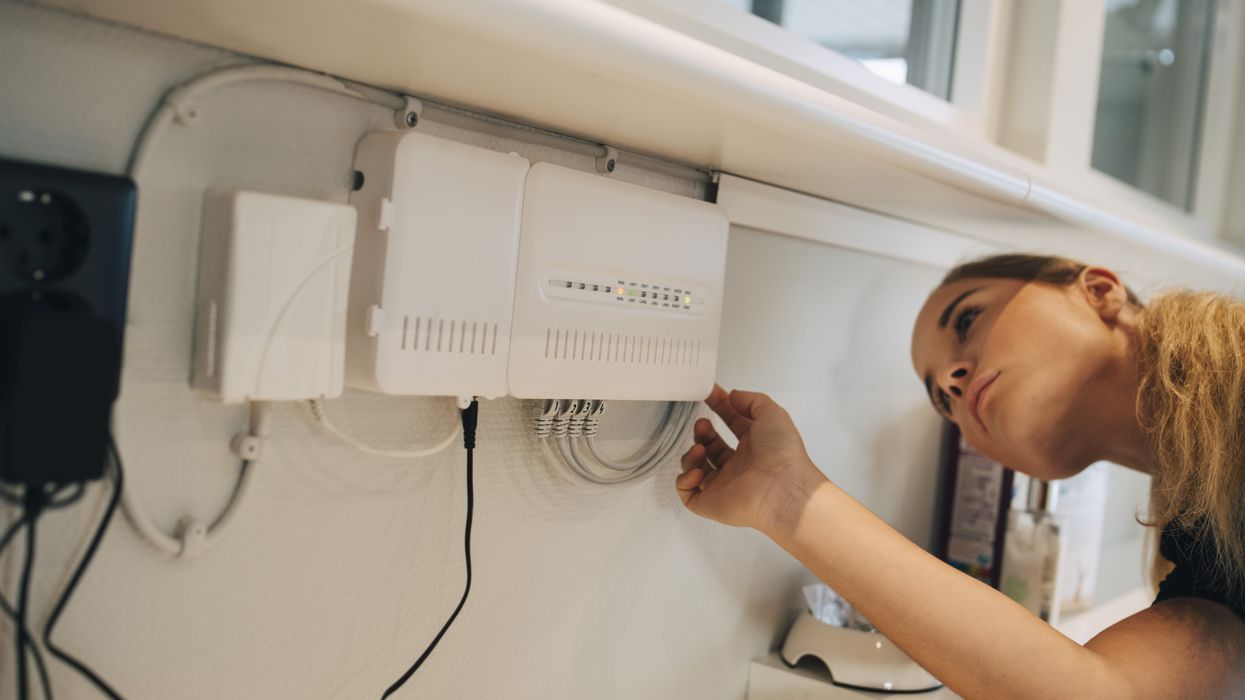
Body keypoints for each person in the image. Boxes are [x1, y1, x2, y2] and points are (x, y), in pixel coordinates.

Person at [676, 254, 1245, 698]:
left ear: (1099, 291)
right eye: (940, 401)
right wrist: (784, 495)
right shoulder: (1209, 550)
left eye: (969, 320)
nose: (951, 380)